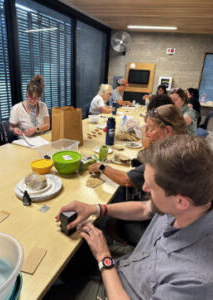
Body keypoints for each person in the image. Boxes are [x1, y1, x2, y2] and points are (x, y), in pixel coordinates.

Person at [55, 135, 213, 299]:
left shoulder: (194, 281)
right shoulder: (188, 204)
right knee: (76, 254)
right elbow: (144, 209)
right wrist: (96, 209)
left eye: (151, 188)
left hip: (119, 290)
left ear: (181, 202)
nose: (144, 188)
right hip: (130, 265)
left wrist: (104, 258)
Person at [88, 104, 187, 245]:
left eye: (151, 129)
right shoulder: (184, 145)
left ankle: (115, 235)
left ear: (168, 131)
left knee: (112, 217)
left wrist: (102, 167)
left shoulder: (166, 159)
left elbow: (128, 182)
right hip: (158, 213)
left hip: (160, 231)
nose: (146, 134)